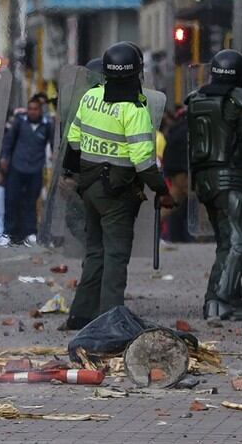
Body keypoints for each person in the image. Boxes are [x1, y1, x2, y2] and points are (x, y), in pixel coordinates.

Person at [60, 42, 174, 330]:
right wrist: (162, 190)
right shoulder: (133, 109)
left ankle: (80, 315)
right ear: (136, 73)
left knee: (95, 253)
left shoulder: (90, 97)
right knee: (115, 256)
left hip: (89, 189)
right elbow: (143, 161)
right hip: (117, 194)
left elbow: (73, 140)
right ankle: (110, 321)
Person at [186, 49, 242, 323]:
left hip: (204, 180)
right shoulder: (240, 100)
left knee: (225, 242)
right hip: (231, 177)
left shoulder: (196, 98)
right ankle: (219, 302)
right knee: (239, 245)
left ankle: (229, 297)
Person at [0, 96, 54, 246]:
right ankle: (8, 233)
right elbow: (9, 141)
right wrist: (4, 158)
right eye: (30, 109)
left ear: (40, 110)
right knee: (11, 200)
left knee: (31, 202)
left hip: (35, 169)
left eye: (35, 109)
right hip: (17, 167)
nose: (32, 112)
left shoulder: (47, 125)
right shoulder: (20, 122)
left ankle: (30, 233)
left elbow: (53, 143)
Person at [162, 105, 190, 242]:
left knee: (177, 196)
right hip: (180, 165)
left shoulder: (181, 127)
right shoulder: (190, 127)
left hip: (175, 164)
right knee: (178, 195)